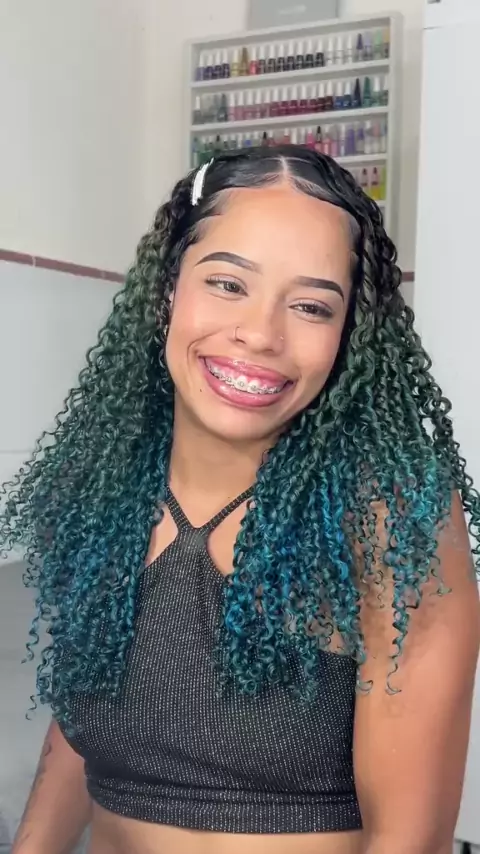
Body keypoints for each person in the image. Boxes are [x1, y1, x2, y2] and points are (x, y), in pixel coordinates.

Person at [3, 146, 479, 854]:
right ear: (168, 290)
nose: (260, 334)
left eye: (311, 305)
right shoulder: (99, 488)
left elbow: (409, 840)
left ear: (348, 335)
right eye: (228, 283)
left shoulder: (392, 517)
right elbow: (82, 735)